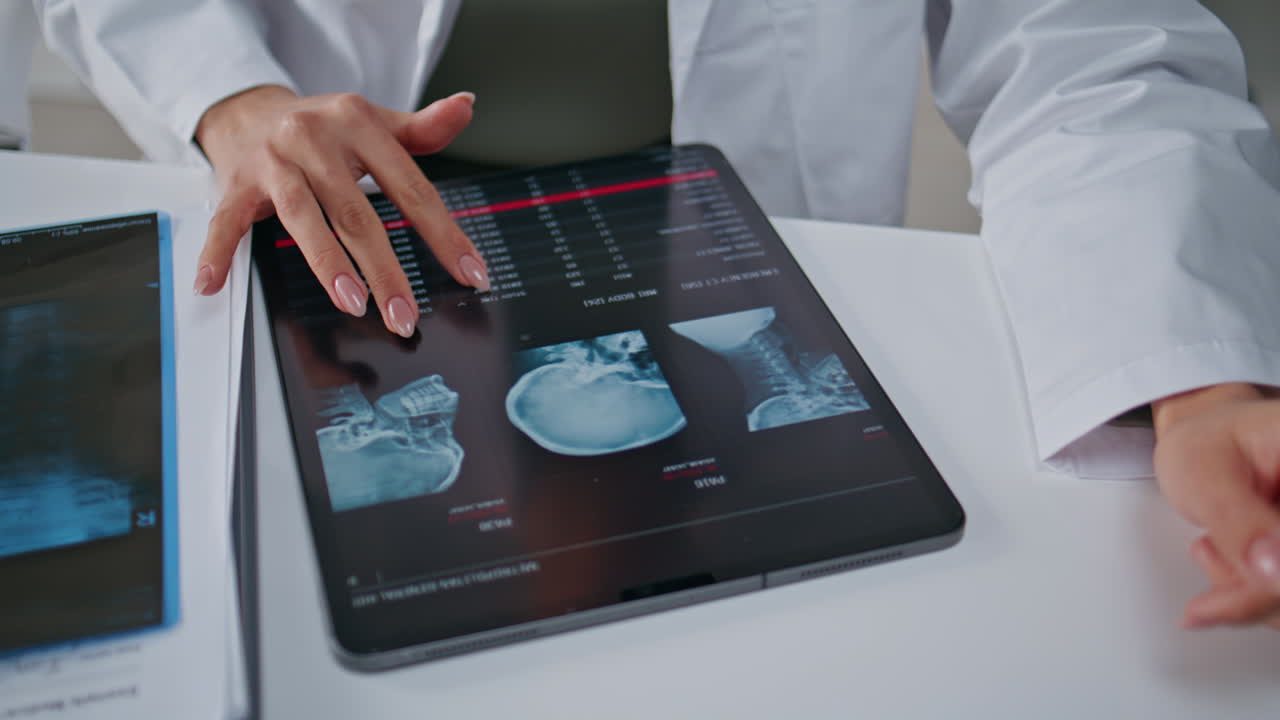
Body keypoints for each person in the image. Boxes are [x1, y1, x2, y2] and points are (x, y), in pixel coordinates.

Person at [33, 0, 1280, 630]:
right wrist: (231, 94)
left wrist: (1194, 370)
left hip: (734, 234)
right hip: (345, 236)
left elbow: (1086, 52)